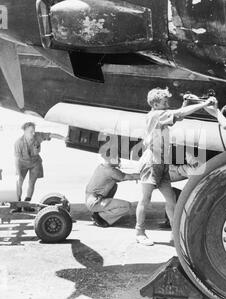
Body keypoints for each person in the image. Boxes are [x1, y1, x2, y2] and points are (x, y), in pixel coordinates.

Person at [135, 87, 217, 246]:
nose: (167, 104)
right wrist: (205, 103)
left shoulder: (159, 114)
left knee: (171, 200)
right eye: (165, 102)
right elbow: (179, 114)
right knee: (146, 199)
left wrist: (185, 103)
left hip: (162, 164)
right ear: (156, 103)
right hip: (151, 163)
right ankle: (139, 232)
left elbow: (177, 115)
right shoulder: (157, 115)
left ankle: (175, 234)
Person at [13, 122, 66, 212]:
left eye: (34, 131)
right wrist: (18, 172)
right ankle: (18, 205)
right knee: (19, 183)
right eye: (31, 132)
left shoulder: (38, 136)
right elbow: (17, 159)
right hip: (22, 163)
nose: (33, 133)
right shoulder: (18, 143)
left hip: (35, 163)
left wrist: (63, 138)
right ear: (25, 131)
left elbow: (51, 135)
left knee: (31, 183)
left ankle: (26, 204)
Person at [85, 155, 139, 227]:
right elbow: (130, 177)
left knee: (114, 186)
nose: (119, 161)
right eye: (118, 159)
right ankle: (101, 218)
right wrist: (144, 175)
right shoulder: (111, 171)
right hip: (95, 202)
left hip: (90, 199)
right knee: (127, 206)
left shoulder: (101, 167)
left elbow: (119, 178)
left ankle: (97, 212)